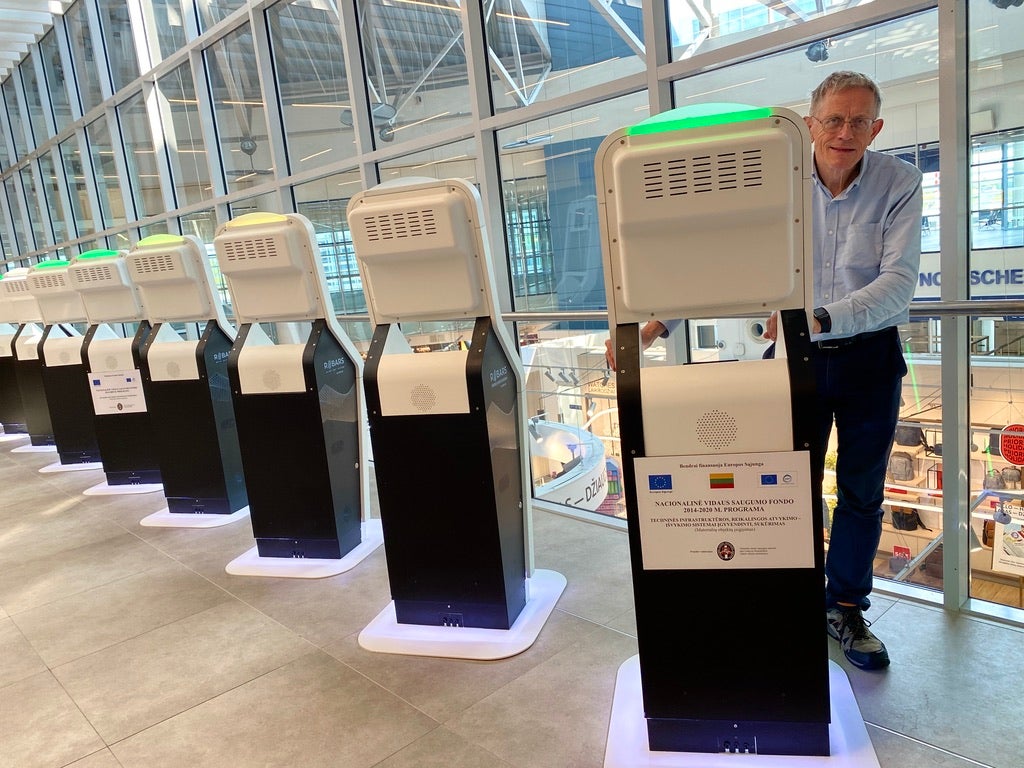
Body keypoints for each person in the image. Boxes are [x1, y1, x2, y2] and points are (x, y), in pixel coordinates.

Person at [605, 72, 922, 671]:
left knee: (861, 492)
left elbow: (897, 287)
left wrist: (819, 318)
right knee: (786, 484)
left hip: (869, 360)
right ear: (810, 122)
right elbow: (722, 262)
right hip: (794, 363)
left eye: (859, 121)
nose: (845, 132)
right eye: (833, 119)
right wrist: (654, 323)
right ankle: (789, 594)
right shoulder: (776, 180)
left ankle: (846, 607)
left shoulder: (898, 183)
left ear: (876, 128)